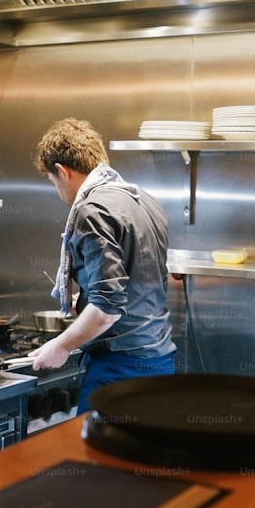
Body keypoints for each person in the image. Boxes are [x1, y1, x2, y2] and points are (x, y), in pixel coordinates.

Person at [30, 118, 176, 413]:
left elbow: (108, 308)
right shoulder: (143, 199)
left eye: (52, 181)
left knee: (99, 458)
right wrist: (84, 299)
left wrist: (62, 345)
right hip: (159, 361)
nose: (58, 192)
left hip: (120, 370)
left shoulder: (92, 210)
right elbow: (133, 282)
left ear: (62, 171)